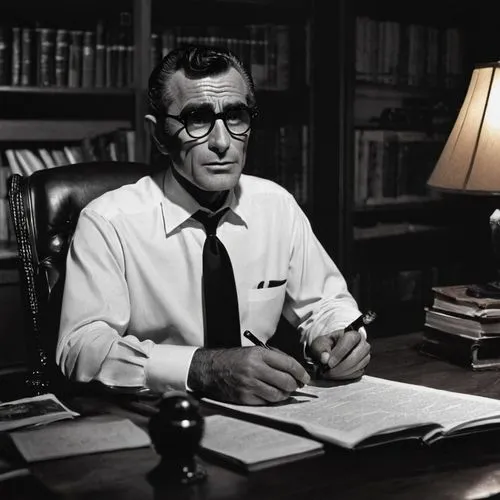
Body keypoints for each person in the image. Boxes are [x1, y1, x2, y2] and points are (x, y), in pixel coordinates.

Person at [56, 44, 371, 405]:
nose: (222, 143)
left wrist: (339, 336)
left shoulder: (276, 205)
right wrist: (203, 369)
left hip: (269, 414)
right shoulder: (108, 221)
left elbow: (326, 303)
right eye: (197, 119)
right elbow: (81, 347)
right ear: (158, 135)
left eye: (235, 116)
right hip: (158, 416)